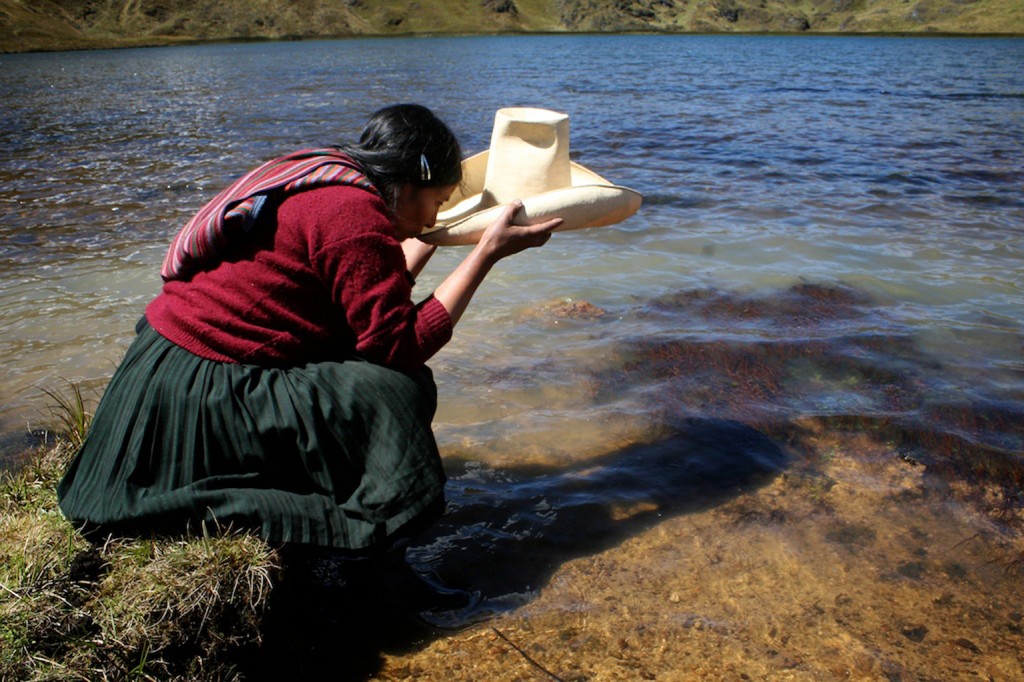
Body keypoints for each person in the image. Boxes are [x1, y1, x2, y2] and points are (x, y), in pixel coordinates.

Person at [56, 104, 561, 577]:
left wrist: (429, 239)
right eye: (437, 202)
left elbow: (366, 298)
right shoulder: (352, 215)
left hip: (166, 365)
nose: (433, 218)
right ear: (407, 187)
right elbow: (396, 343)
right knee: (396, 390)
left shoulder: (328, 177)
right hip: (204, 387)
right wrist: (485, 255)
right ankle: (377, 548)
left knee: (367, 368)